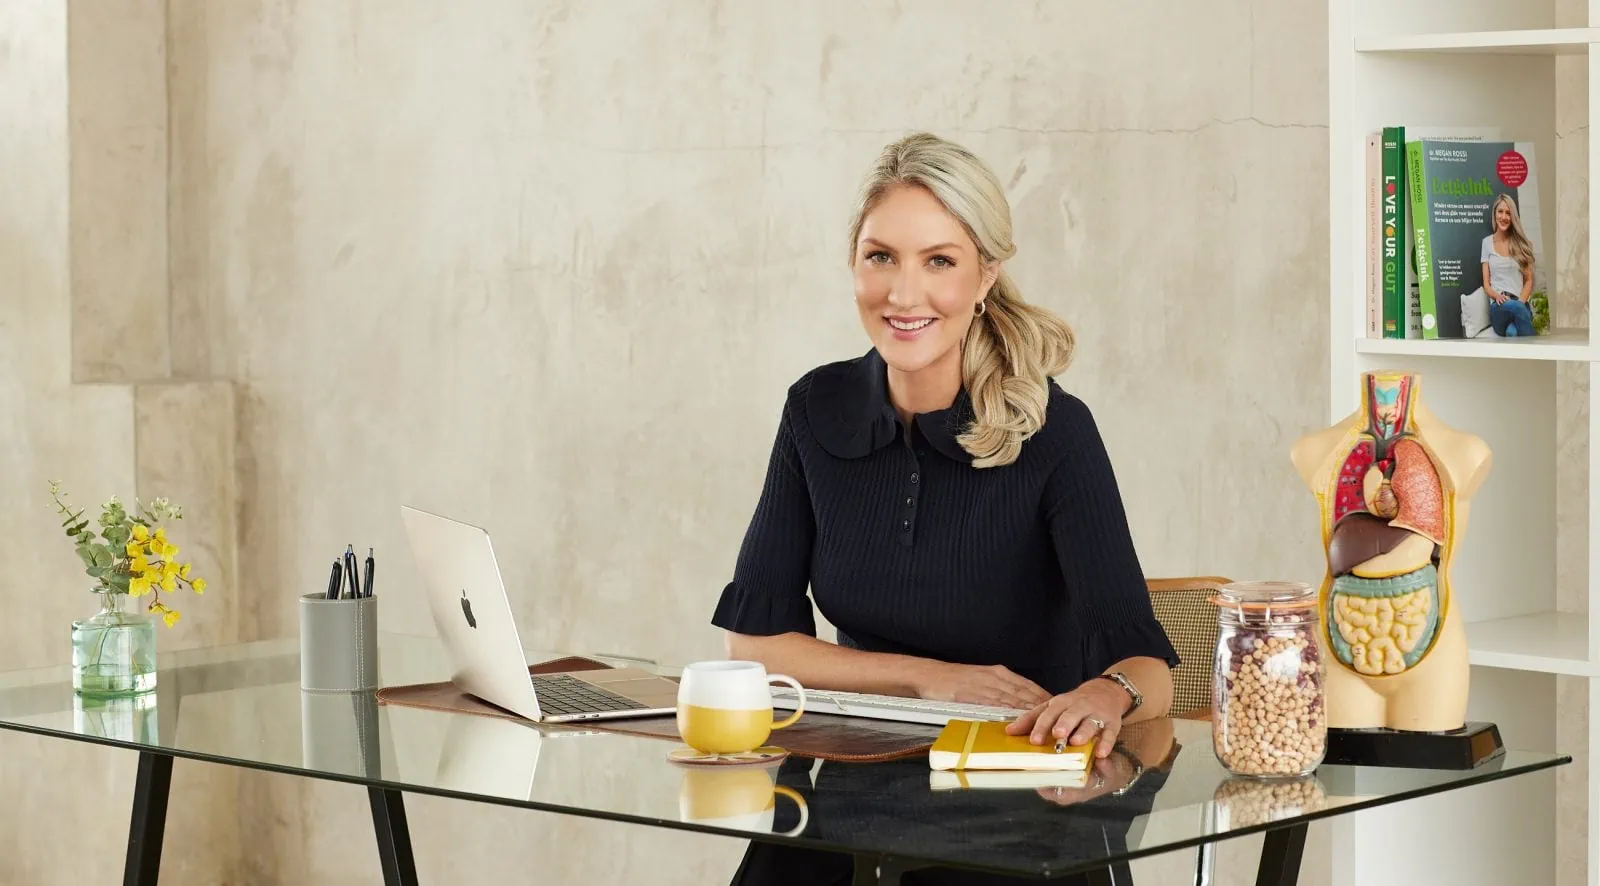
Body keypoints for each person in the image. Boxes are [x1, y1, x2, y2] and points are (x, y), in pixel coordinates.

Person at [710, 132, 1180, 885]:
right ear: (853, 263)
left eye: (939, 261)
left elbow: (1147, 669)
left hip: (1020, 814)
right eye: (880, 257)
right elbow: (755, 649)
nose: (903, 294)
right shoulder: (815, 410)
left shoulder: (1055, 432)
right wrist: (931, 679)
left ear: (986, 275)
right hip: (849, 797)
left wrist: (1105, 692)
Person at [1480, 193, 1536, 337]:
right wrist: (1496, 295)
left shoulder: (1523, 245)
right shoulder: (1486, 243)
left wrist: (1520, 303)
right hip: (1499, 307)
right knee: (1512, 308)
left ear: (1513, 218)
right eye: (1500, 211)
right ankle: (1538, 348)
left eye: (1508, 213)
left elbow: (1529, 280)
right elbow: (1486, 284)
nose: (1504, 217)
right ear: (1494, 213)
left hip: (1520, 302)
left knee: (1512, 332)